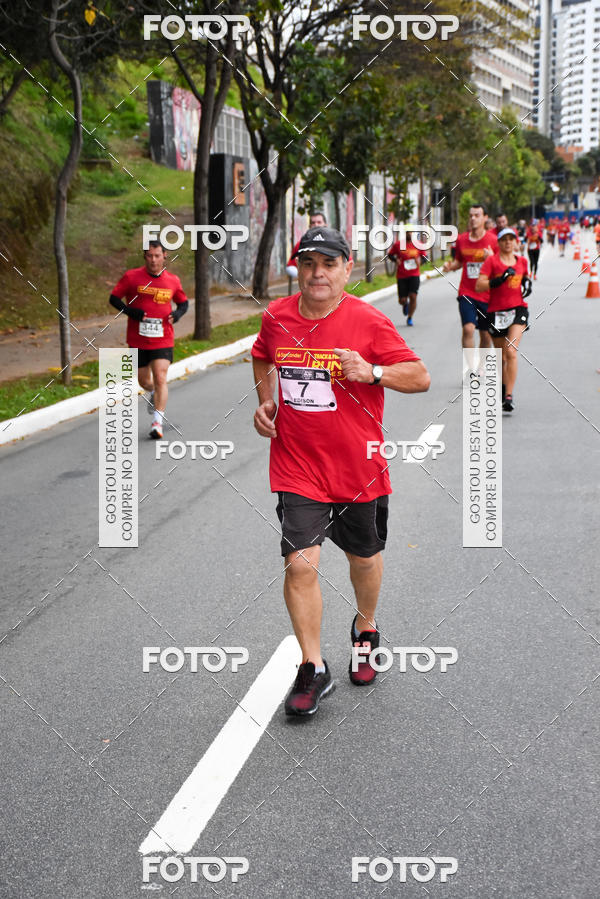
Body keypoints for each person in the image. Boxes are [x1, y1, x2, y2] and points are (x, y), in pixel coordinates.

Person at [251, 227, 430, 717]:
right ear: (299, 270)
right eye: (309, 263)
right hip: (298, 466)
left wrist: (372, 372)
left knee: (364, 560)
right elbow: (263, 355)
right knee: (298, 564)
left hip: (359, 470)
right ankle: (313, 666)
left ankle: (365, 627)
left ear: (347, 269)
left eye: (328, 263)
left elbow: (420, 376)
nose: (318, 273)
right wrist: (266, 400)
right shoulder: (277, 316)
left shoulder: (368, 322)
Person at [109, 241, 188, 439]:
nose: (153, 260)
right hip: (138, 339)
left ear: (164, 256)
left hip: (163, 338)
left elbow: (183, 303)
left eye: (157, 256)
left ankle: (157, 423)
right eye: (150, 256)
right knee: (144, 380)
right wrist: (131, 312)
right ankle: (153, 391)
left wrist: (177, 314)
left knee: (161, 376)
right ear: (145, 257)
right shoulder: (132, 277)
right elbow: (114, 299)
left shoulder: (172, 280)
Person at [476, 228, 531, 413]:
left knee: (511, 352)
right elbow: (479, 285)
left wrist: (527, 283)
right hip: (496, 313)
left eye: (511, 239)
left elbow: (524, 277)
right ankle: (503, 386)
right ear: (498, 243)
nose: (508, 242)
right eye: (504, 239)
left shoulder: (522, 261)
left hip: (518, 310)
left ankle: (509, 395)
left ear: (516, 242)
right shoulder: (491, 261)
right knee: (501, 357)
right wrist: (498, 280)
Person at [443, 204, 497, 350]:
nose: (473, 218)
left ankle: (482, 368)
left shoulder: (493, 240)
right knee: (468, 329)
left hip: (487, 294)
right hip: (467, 292)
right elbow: (459, 262)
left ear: (485, 218)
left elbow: (501, 267)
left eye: (477, 215)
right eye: (471, 215)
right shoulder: (462, 240)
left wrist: (491, 258)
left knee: (486, 335)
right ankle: (471, 368)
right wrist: (450, 266)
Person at [387, 230, 428, 326]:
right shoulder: (398, 245)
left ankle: (410, 317)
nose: (409, 234)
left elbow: (425, 258)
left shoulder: (418, 245)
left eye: (411, 232)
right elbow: (390, 255)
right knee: (402, 300)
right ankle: (405, 304)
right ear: (405, 233)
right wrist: (396, 260)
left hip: (414, 275)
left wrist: (420, 262)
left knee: (413, 296)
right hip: (402, 275)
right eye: (408, 232)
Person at [285, 212, 327, 279]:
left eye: (319, 222)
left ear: (325, 225)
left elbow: (347, 261)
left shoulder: (334, 242)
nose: (316, 225)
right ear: (310, 226)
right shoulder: (302, 244)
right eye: (313, 223)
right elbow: (290, 267)